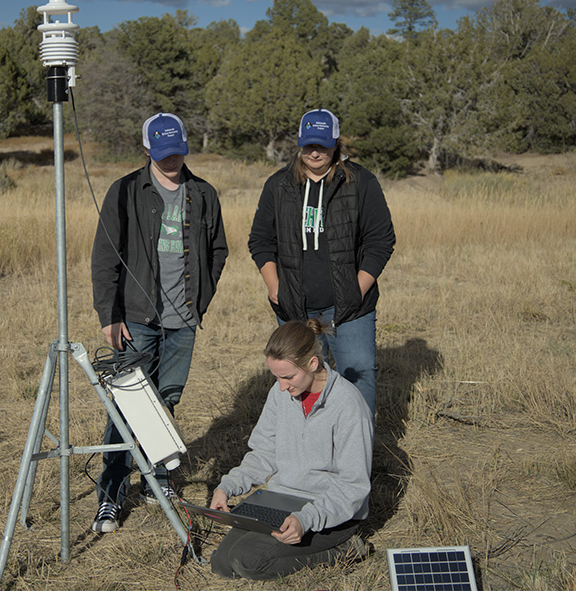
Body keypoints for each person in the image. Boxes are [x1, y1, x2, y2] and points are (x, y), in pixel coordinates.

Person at [90, 112, 229, 533]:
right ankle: (111, 496)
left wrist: (199, 300)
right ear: (147, 150)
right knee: (126, 407)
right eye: (163, 154)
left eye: (178, 153)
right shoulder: (125, 191)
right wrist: (108, 314)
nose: (171, 161)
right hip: (136, 320)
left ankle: (159, 481)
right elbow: (104, 258)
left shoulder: (203, 193)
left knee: (166, 403)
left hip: (183, 322)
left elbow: (218, 250)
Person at [248, 108, 395, 416]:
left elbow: (380, 241)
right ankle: (310, 456)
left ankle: (356, 455)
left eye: (323, 145)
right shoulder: (279, 185)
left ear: (336, 144)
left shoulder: (361, 183)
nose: (315, 152)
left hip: (350, 310)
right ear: (300, 144)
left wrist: (357, 289)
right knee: (302, 385)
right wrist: (275, 286)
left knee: (358, 378)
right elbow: (261, 240)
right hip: (294, 308)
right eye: (308, 145)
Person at [209, 319, 373, 579]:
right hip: (281, 500)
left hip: (328, 511)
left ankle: (344, 549)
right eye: (276, 377)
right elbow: (264, 452)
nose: (282, 386)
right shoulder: (280, 393)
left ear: (312, 364)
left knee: (248, 561)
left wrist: (306, 519)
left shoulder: (349, 406)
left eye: (287, 377)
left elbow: (353, 487)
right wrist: (227, 487)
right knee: (222, 564)